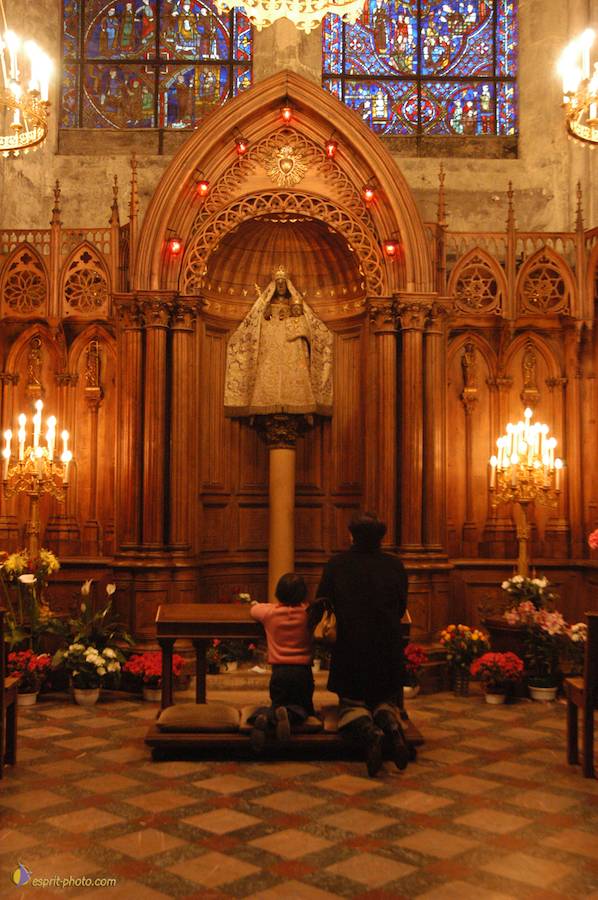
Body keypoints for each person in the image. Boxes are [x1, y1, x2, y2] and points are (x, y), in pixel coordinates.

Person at [314, 513, 409, 777]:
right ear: (381, 538)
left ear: (352, 536)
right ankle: (391, 726)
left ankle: (370, 733)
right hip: (387, 647)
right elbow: (402, 606)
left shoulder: (337, 564)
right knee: (384, 701)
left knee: (351, 706)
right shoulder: (395, 565)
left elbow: (323, 600)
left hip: (351, 647)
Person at [224, 266, 332, 419]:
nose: (281, 286)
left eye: (283, 283)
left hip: (292, 348)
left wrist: (292, 322)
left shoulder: (294, 303)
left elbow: (306, 326)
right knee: (267, 372)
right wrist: (266, 315)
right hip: (271, 347)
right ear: (274, 285)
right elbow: (256, 326)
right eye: (278, 283)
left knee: (296, 371)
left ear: (288, 286)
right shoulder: (266, 304)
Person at [248, 573, 316, 752]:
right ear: (303, 593)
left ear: (278, 592)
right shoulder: (309, 614)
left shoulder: (270, 613)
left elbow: (254, 610)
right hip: (303, 672)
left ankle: (264, 717)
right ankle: (289, 715)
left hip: (280, 671)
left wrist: (267, 605)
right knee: (305, 709)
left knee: (278, 704)